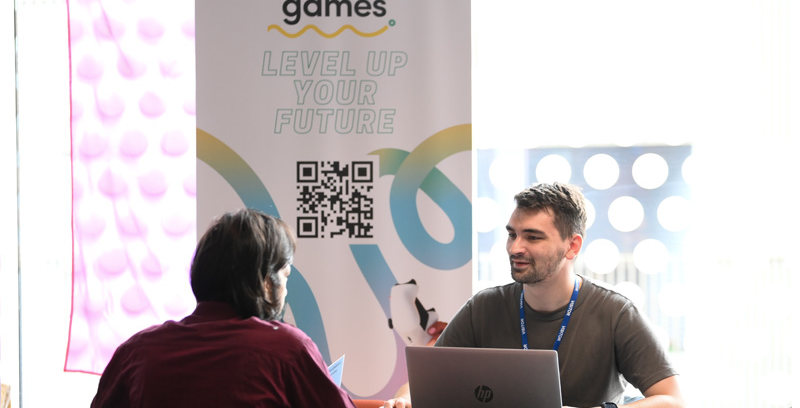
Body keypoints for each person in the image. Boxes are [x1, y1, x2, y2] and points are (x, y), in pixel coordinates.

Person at [385, 182, 686, 408]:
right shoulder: (484, 307)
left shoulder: (615, 313)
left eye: (532, 237)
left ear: (573, 246)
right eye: (512, 234)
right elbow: (422, 382)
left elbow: (672, 399)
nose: (515, 247)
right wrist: (404, 399)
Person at [91, 208, 356, 408]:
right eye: (285, 275)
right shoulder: (288, 351)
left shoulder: (135, 352)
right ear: (265, 282)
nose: (286, 290)